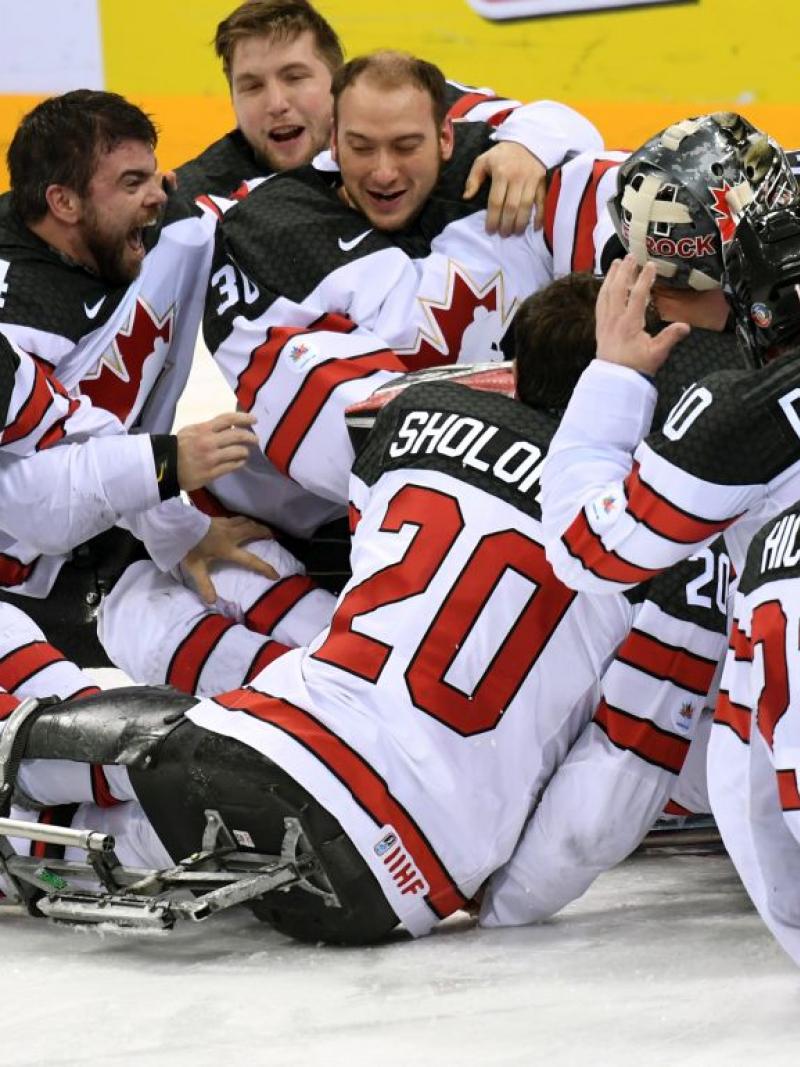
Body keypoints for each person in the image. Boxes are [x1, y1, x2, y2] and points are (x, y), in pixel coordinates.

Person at [0, 89, 276, 657]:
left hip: (118, 515)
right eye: (133, 184)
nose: (159, 194)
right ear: (64, 202)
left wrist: (514, 141)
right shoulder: (18, 318)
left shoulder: (137, 227)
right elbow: (27, 501)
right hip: (25, 584)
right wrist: (166, 469)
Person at [176, 0, 601, 238]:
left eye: (295, 77)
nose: (275, 102)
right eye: (251, 86)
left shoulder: (410, 107)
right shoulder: (204, 189)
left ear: (337, 80)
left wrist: (525, 147)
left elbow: (574, 130)